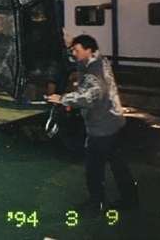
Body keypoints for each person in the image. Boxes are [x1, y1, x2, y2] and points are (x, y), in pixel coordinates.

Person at [47, 34, 138, 214]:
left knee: (93, 168)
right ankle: (130, 200)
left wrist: (63, 98)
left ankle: (96, 204)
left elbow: (89, 96)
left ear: (88, 50)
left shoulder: (94, 72)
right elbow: (83, 76)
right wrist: (69, 41)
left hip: (101, 127)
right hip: (115, 122)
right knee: (119, 165)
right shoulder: (99, 60)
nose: (74, 53)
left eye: (77, 50)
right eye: (72, 50)